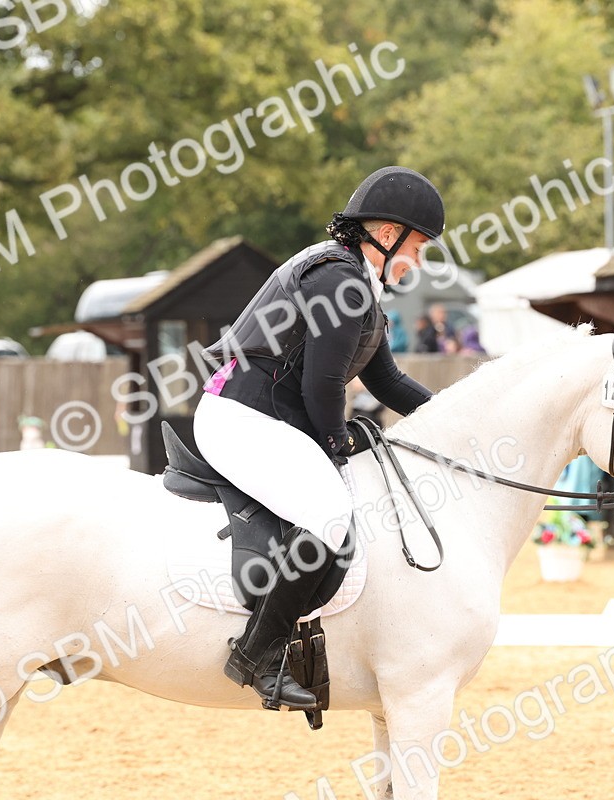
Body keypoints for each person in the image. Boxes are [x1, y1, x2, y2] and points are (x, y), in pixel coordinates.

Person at [194, 166, 440, 709]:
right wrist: (337, 444)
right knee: (329, 512)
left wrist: (455, 421)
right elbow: (322, 383)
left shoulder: (359, 285)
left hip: (267, 418)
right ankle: (257, 655)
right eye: (418, 248)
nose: (419, 262)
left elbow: (387, 382)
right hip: (242, 418)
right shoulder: (338, 280)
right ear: (387, 233)